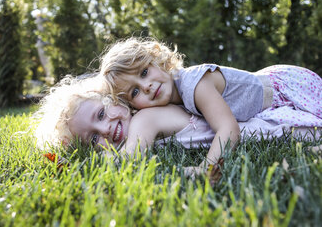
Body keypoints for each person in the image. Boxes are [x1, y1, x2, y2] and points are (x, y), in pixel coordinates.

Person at [99, 37, 322, 168]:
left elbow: (228, 129)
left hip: (281, 88)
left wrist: (207, 167)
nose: (146, 86)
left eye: (144, 71)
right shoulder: (171, 102)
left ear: (157, 60)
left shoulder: (195, 84)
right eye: (135, 91)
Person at [34, 75, 321, 175]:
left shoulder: (145, 119)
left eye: (100, 115)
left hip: (260, 128)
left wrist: (106, 158)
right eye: (94, 140)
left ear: (115, 100)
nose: (106, 130)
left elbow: (130, 159)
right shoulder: (149, 113)